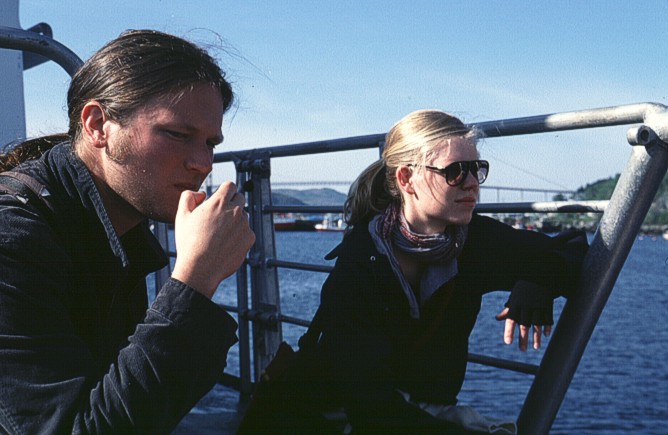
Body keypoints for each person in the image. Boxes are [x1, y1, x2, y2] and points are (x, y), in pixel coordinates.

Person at [238, 109, 588, 434]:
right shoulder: (362, 261)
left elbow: (574, 248)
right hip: (329, 413)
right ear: (407, 178)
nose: (471, 183)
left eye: (476, 168)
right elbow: (369, 407)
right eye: (455, 171)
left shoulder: (474, 240)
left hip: (410, 410)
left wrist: (538, 282)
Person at [0, 30, 255, 433]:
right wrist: (195, 281)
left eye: (210, 142)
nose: (203, 163)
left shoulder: (111, 228)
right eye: (177, 134)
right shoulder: (12, 240)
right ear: (98, 124)